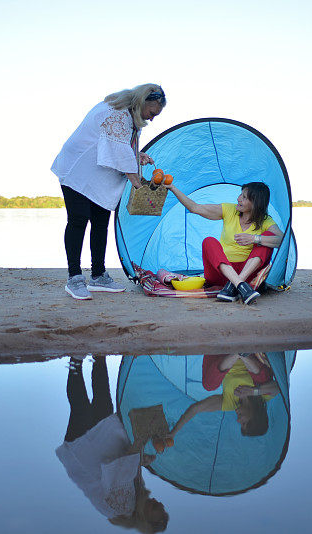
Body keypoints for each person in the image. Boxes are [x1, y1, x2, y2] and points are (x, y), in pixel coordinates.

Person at [52, 84, 166, 300]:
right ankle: (74, 278)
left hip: (98, 176)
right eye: (152, 113)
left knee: (101, 221)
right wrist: (140, 187)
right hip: (78, 170)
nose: (152, 119)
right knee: (79, 220)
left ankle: (98, 276)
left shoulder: (131, 117)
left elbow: (119, 147)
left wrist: (137, 155)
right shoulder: (118, 113)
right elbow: (119, 153)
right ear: (143, 102)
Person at [55, 357, 169, 532]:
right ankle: (99, 355)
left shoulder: (121, 508)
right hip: (105, 442)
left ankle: (75, 361)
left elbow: (117, 468)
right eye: (161, 505)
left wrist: (141, 441)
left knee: (81, 408)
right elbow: (126, 466)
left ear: (143, 518)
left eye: (155, 507)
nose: (157, 501)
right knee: (103, 399)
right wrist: (142, 459)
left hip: (84, 452)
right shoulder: (138, 496)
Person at [164, 181, 283, 304]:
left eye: (244, 197)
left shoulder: (265, 221)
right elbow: (195, 208)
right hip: (220, 274)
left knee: (267, 239)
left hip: (247, 273)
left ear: (256, 203)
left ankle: (235, 284)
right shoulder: (230, 210)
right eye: (240, 195)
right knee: (209, 241)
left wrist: (255, 238)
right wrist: (172, 188)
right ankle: (241, 286)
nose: (238, 199)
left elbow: (281, 240)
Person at [166, 353, 280, 438]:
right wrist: (253, 391)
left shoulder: (230, 404)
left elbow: (196, 409)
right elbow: (277, 387)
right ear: (255, 417)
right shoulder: (263, 397)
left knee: (209, 386)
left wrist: (174, 433)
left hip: (223, 357)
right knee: (263, 379)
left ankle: (237, 354)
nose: (238, 420)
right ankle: (242, 354)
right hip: (251, 356)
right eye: (244, 422)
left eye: (241, 424)